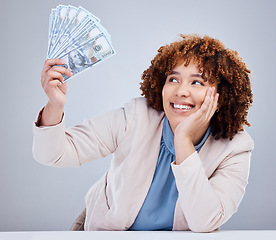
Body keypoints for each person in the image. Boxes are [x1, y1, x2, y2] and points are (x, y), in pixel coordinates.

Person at [33, 34, 254, 232]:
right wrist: (55, 105)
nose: (181, 91)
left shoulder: (235, 147)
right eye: (173, 79)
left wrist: (183, 140)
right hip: (104, 230)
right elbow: (53, 154)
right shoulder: (136, 116)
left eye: (197, 82)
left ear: (222, 96)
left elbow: (205, 222)